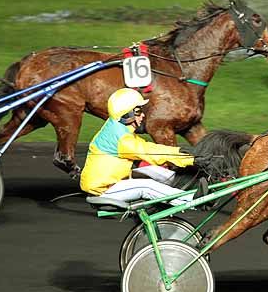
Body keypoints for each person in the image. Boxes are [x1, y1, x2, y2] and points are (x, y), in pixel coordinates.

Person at [80, 88, 209, 205]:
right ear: (126, 115)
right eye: (137, 112)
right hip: (104, 190)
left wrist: (184, 156)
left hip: (113, 181)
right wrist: (189, 158)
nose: (142, 115)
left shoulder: (116, 125)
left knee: (156, 171)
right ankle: (193, 200)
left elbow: (145, 147)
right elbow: (151, 152)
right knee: (147, 186)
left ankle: (186, 183)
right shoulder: (122, 139)